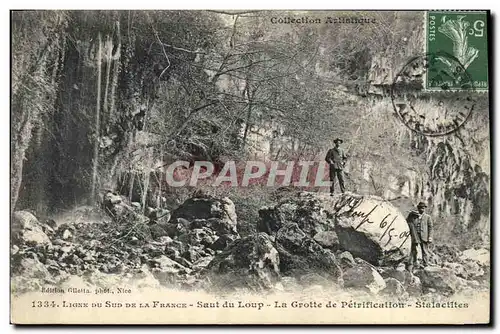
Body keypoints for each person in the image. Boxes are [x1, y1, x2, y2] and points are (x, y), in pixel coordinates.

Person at [406, 202, 433, 268]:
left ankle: (425, 264)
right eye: (420, 208)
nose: (422, 209)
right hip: (415, 235)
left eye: (423, 208)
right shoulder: (414, 216)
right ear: (418, 208)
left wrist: (430, 236)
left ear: (425, 209)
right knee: (413, 249)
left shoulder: (427, 217)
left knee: (425, 250)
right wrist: (410, 215)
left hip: (424, 236)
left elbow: (431, 227)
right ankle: (412, 263)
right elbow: (407, 221)